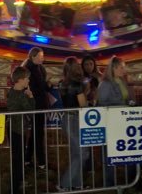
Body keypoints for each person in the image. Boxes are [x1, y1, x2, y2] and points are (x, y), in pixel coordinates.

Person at [97, 56, 135, 186]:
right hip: (111, 121)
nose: (124, 70)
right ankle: (109, 181)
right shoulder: (106, 84)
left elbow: (125, 98)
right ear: (113, 68)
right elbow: (101, 103)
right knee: (109, 152)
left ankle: (130, 179)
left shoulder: (121, 81)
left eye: (124, 67)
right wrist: (120, 106)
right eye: (121, 67)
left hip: (122, 121)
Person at [57, 56, 89, 191]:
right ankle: (64, 184)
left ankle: (76, 183)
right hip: (75, 119)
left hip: (66, 118)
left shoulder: (62, 83)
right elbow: (83, 104)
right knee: (83, 153)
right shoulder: (77, 85)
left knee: (76, 153)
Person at [7, 66, 35, 194]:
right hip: (18, 130)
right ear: (20, 80)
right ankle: (15, 185)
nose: (28, 81)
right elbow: (31, 109)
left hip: (13, 128)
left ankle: (19, 181)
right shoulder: (21, 95)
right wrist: (30, 96)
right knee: (19, 158)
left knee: (17, 156)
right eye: (27, 79)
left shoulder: (12, 92)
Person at [21, 47, 51, 170]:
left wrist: (48, 84)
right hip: (35, 104)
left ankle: (28, 159)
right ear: (33, 56)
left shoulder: (40, 68)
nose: (42, 58)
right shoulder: (28, 70)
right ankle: (41, 161)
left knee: (36, 132)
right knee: (38, 133)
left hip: (40, 103)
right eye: (40, 55)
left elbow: (42, 86)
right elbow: (32, 88)